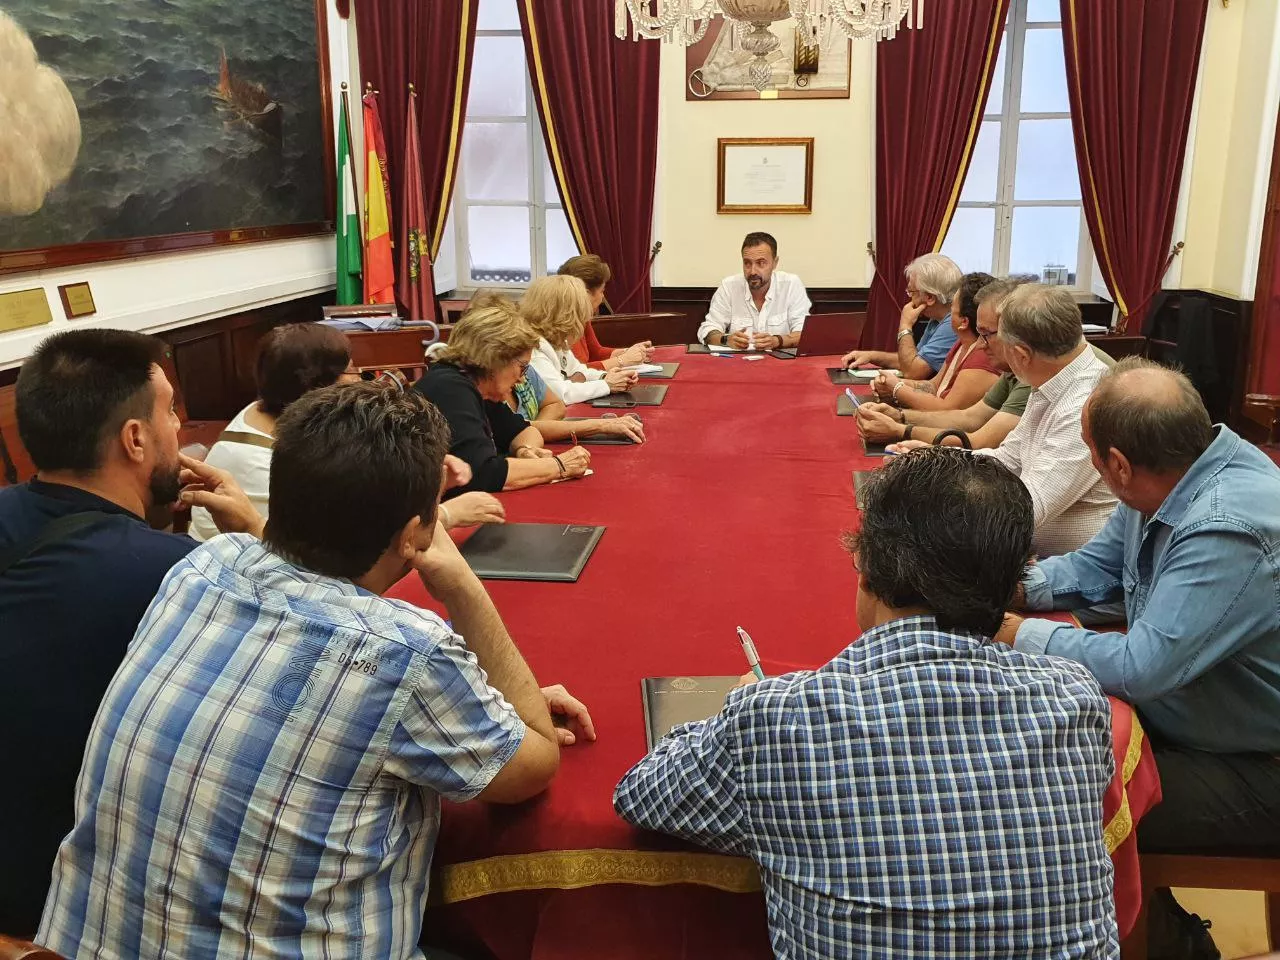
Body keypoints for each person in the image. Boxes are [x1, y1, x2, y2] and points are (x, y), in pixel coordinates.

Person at [38, 382, 596, 959]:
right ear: (416, 534)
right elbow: (534, 765)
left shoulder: (202, 564)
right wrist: (460, 583)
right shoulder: (405, 651)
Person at [615, 447, 1117, 959]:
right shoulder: (1075, 697)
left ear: (867, 568)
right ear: (1015, 586)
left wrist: (737, 711)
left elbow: (641, 795)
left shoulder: (778, 718)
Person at [997, 358, 1280, 958]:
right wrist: (1011, 587)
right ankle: (1159, 918)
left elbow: (1141, 668)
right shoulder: (1174, 471)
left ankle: (1153, 939)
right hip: (1205, 723)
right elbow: (1094, 569)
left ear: (1117, 465)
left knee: (1062, 788)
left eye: (1095, 459)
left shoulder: (1225, 526)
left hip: (1261, 764)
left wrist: (1014, 631)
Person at [0, 329, 264, 937]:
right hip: (65, 900)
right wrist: (253, 534)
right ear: (136, 439)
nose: (181, 426)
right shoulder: (180, 578)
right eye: (171, 409)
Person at [190, 324, 503, 538]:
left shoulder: (295, 420)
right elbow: (340, 548)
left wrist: (421, 477)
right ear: (318, 385)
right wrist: (446, 515)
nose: (360, 381)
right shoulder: (256, 460)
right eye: (352, 371)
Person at [860, 277, 1115, 451]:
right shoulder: (1027, 366)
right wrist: (900, 418)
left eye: (987, 333)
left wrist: (901, 430)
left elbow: (981, 440)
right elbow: (974, 421)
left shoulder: (1044, 367)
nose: (980, 344)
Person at [415, 301, 591, 492]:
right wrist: (559, 466)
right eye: (522, 367)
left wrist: (525, 451)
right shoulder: (451, 388)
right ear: (496, 358)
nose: (522, 379)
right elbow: (481, 474)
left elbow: (525, 431)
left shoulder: (479, 387)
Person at [868, 271, 999, 411]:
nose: (948, 314)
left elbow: (946, 410)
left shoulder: (981, 359)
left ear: (964, 322)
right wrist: (892, 383)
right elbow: (934, 386)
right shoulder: (962, 343)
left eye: (952, 308)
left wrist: (897, 389)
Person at [841, 253, 964, 378]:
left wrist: (905, 325)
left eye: (911, 292)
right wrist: (871, 356)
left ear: (930, 297)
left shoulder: (952, 325)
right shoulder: (936, 319)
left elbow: (912, 371)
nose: (909, 298)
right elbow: (911, 360)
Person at [523, 275, 637, 405]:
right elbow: (561, 394)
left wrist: (606, 377)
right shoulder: (533, 349)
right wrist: (607, 385)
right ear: (566, 313)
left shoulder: (556, 339)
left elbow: (579, 371)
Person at [697, 232, 811, 350]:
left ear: (775, 263)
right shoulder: (729, 286)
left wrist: (777, 341)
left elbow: (805, 333)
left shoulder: (790, 284)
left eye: (761, 263)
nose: (752, 271)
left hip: (780, 363)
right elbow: (708, 330)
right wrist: (726, 339)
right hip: (739, 363)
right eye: (747, 263)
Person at [557, 254, 653, 370]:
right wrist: (622, 360)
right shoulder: (560, 324)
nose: (602, 297)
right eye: (602, 291)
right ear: (585, 294)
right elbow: (575, 373)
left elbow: (596, 352)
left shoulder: (582, 316)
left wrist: (628, 352)